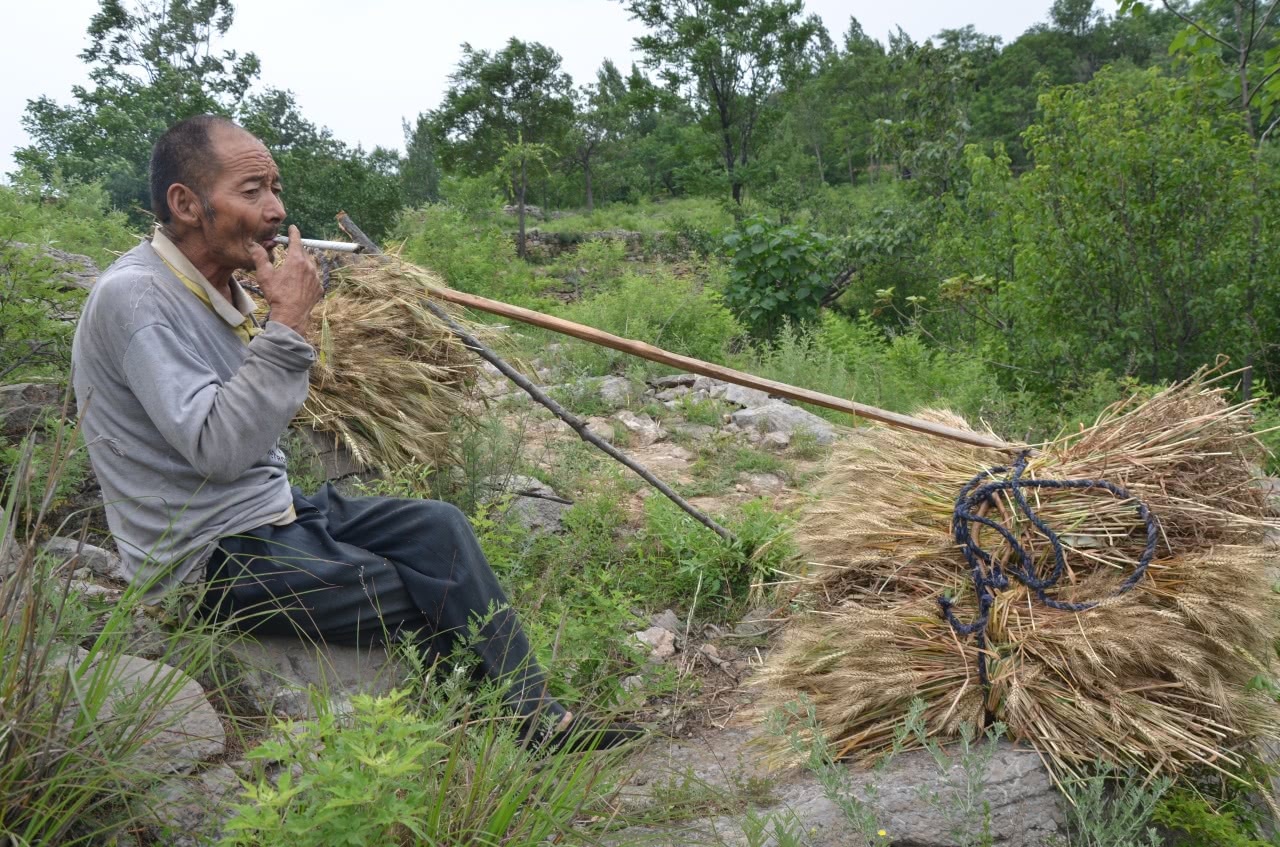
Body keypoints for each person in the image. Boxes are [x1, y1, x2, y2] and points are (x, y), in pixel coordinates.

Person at [71, 114, 635, 752]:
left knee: (439, 529)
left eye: (274, 188)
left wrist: (282, 320)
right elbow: (221, 450)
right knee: (423, 586)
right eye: (252, 191)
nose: (276, 209)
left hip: (270, 512)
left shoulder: (218, 287)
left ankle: (531, 718)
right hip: (206, 555)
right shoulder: (137, 299)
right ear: (185, 202)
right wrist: (288, 320)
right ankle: (522, 725)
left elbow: (259, 421)